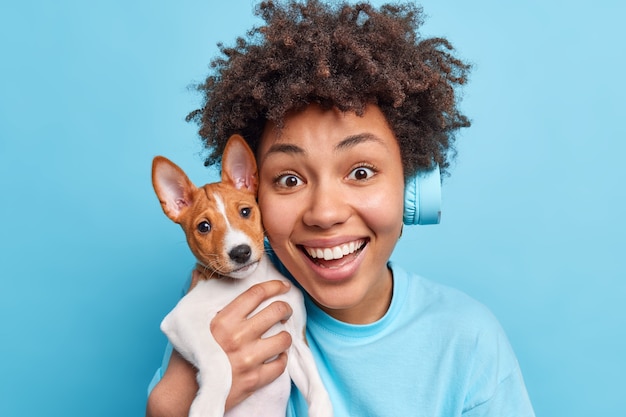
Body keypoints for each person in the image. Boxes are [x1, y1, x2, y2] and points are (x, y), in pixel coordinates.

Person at [146, 1, 535, 416]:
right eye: (289, 180)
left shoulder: (468, 341)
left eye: (362, 172)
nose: (325, 213)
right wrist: (174, 396)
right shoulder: (223, 317)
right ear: (253, 197)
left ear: (413, 188)